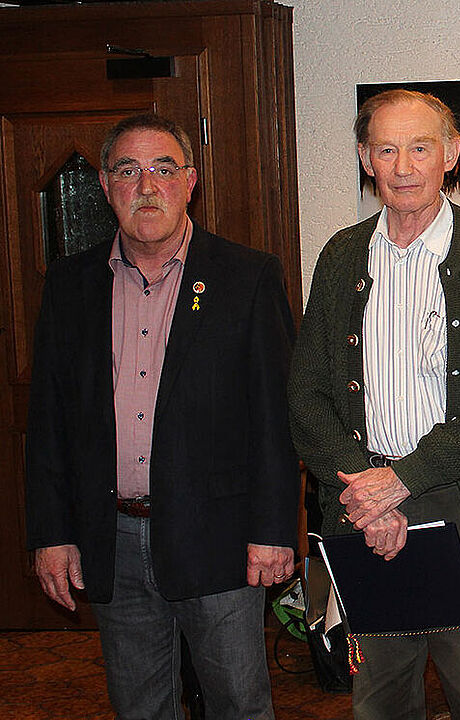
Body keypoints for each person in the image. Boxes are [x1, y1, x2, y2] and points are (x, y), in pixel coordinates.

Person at [25, 113, 298, 720]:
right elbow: (48, 423)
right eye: (128, 170)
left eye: (163, 169)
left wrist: (274, 529)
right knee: (141, 708)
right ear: (104, 184)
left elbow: (276, 421)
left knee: (239, 705)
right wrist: (51, 533)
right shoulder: (69, 287)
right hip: (112, 539)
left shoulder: (246, 277)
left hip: (221, 541)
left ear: (191, 181)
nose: (147, 186)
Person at [288, 89, 460, 720]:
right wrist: (368, 494)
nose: (404, 167)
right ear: (365, 158)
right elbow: (308, 395)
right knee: (380, 697)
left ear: (451, 153)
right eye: (388, 150)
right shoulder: (341, 255)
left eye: (420, 148)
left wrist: (402, 480)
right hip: (361, 500)